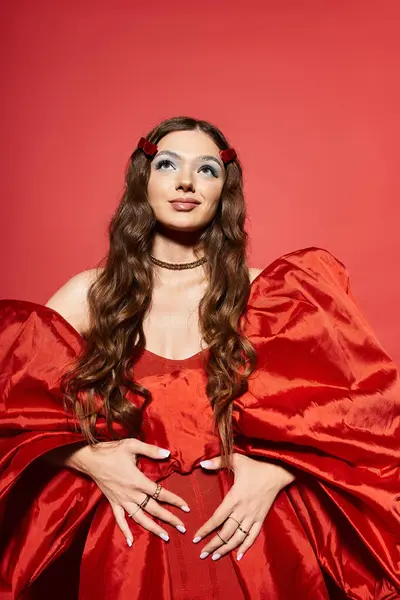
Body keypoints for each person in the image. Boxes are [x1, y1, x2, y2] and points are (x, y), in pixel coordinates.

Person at [0, 116, 399, 600]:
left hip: (256, 542)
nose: (187, 181)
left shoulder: (270, 293)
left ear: (223, 193)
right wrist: (89, 458)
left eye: (207, 170)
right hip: (128, 549)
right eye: (169, 164)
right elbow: (13, 408)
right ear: (142, 181)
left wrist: (281, 470)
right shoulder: (92, 295)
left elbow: (367, 417)